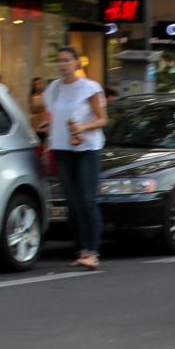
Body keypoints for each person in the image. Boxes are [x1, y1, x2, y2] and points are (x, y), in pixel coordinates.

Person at [45, 46, 107, 270]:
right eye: (59, 61)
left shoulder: (89, 87)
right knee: (72, 202)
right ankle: (81, 251)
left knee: (88, 199)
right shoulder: (53, 88)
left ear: (76, 63)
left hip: (87, 149)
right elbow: (52, 116)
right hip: (61, 148)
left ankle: (93, 251)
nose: (62, 65)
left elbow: (102, 119)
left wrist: (82, 127)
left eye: (66, 61)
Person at [28, 77, 48, 143]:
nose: (37, 86)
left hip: (43, 119)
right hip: (35, 120)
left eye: (39, 84)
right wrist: (39, 108)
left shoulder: (45, 95)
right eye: (35, 84)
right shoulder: (32, 96)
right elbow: (31, 110)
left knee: (44, 138)